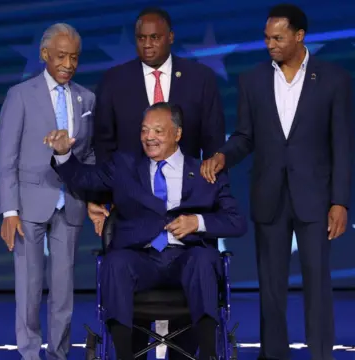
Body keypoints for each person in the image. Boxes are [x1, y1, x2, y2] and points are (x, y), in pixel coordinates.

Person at [201, 4, 354, 360]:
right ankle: (273, 356)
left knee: (317, 284)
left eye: (278, 38)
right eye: (267, 37)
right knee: (271, 289)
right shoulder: (252, 80)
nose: (270, 44)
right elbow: (244, 136)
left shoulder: (333, 79)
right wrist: (224, 155)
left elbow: (342, 146)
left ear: (299, 36)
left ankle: (320, 355)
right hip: (269, 196)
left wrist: (340, 201)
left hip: (315, 198)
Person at [46, 102, 246, 360]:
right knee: (115, 261)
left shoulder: (204, 171)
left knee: (204, 259)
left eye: (158, 131)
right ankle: (125, 356)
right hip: (141, 261)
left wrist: (198, 222)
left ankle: (207, 354)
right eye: (144, 130)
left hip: (187, 260)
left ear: (177, 134)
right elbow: (83, 178)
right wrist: (63, 154)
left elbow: (236, 222)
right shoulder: (124, 167)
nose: (149, 137)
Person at [89, 6, 226, 358]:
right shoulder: (115, 80)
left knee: (192, 282)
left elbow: (212, 147)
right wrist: (104, 200)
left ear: (170, 37)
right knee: (126, 279)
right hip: (132, 211)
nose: (147, 45)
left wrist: (207, 204)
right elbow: (103, 145)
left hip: (185, 209)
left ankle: (189, 353)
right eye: (140, 38)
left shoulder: (200, 79)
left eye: (154, 37)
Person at [0, 23, 95, 360]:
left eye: (74, 58)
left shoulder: (87, 98)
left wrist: (92, 197)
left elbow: (88, 155)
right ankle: (30, 354)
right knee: (29, 287)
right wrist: (9, 211)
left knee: (64, 291)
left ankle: (59, 354)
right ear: (44, 55)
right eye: (61, 56)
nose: (68, 64)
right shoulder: (20, 95)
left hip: (71, 204)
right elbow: (6, 158)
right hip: (28, 206)